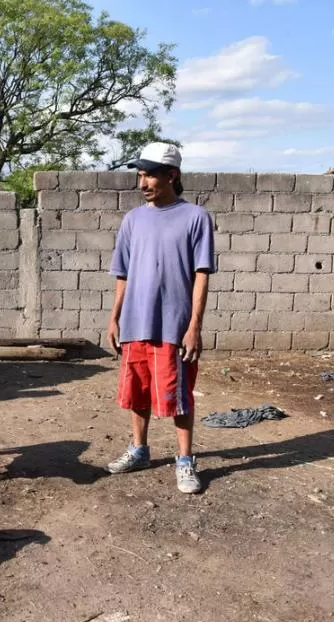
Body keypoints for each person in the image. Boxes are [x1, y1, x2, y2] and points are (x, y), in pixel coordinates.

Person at [104, 142, 216, 494]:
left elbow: (202, 274)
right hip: (136, 322)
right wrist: (114, 317)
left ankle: (184, 460)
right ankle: (139, 449)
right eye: (140, 175)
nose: (143, 183)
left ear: (172, 175)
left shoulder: (196, 218)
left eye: (150, 175)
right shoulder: (133, 220)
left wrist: (194, 325)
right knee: (137, 391)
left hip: (174, 325)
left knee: (179, 394)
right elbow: (122, 273)